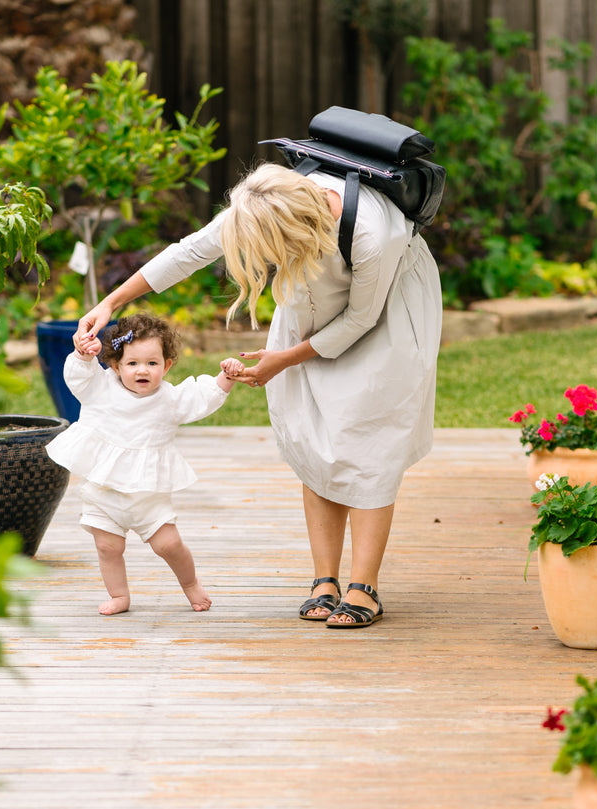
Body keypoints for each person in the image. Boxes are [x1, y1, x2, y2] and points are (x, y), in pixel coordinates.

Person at [75, 162, 442, 628]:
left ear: (294, 234)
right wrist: (112, 302)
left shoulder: (373, 234)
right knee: (314, 435)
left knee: (367, 441)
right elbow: (188, 252)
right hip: (311, 296)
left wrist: (281, 359)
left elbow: (360, 320)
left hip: (383, 315)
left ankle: (363, 585)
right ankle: (324, 580)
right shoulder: (262, 208)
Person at [46, 312, 245, 616]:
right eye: (133, 363)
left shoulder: (169, 398)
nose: (143, 370)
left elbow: (200, 398)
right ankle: (119, 595)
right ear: (116, 365)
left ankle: (191, 585)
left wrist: (226, 378)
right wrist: (83, 356)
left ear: (166, 366)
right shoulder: (100, 387)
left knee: (168, 545)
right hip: (104, 490)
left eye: (152, 363)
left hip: (148, 495)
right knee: (108, 548)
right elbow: (77, 378)